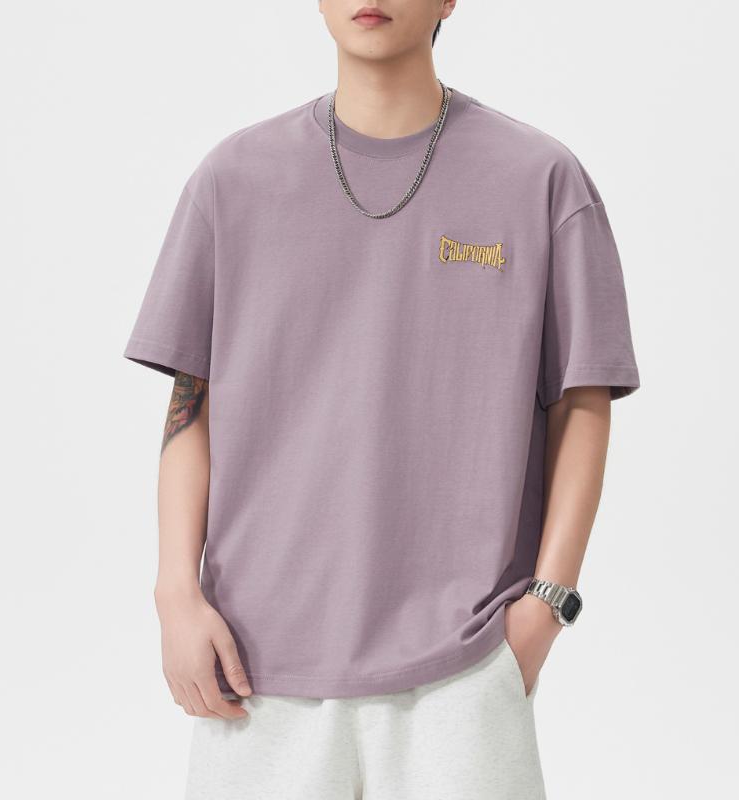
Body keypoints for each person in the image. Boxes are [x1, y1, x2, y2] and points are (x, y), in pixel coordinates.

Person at [124, 1, 640, 797]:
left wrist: (545, 606)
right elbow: (193, 404)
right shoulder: (232, 181)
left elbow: (582, 399)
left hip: (464, 667)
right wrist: (175, 596)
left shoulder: (539, 179)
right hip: (256, 669)